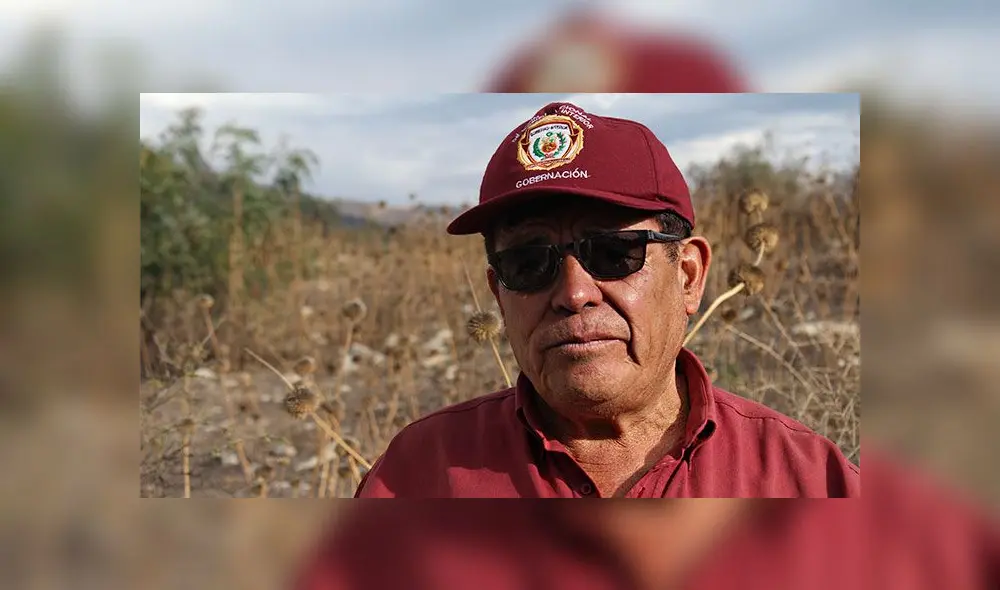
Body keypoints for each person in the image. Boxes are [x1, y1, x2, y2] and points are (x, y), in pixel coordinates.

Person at [353, 101, 860, 498]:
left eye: (614, 252)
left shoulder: (811, 481)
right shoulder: (416, 477)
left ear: (688, 276)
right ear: (499, 295)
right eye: (529, 264)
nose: (573, 294)